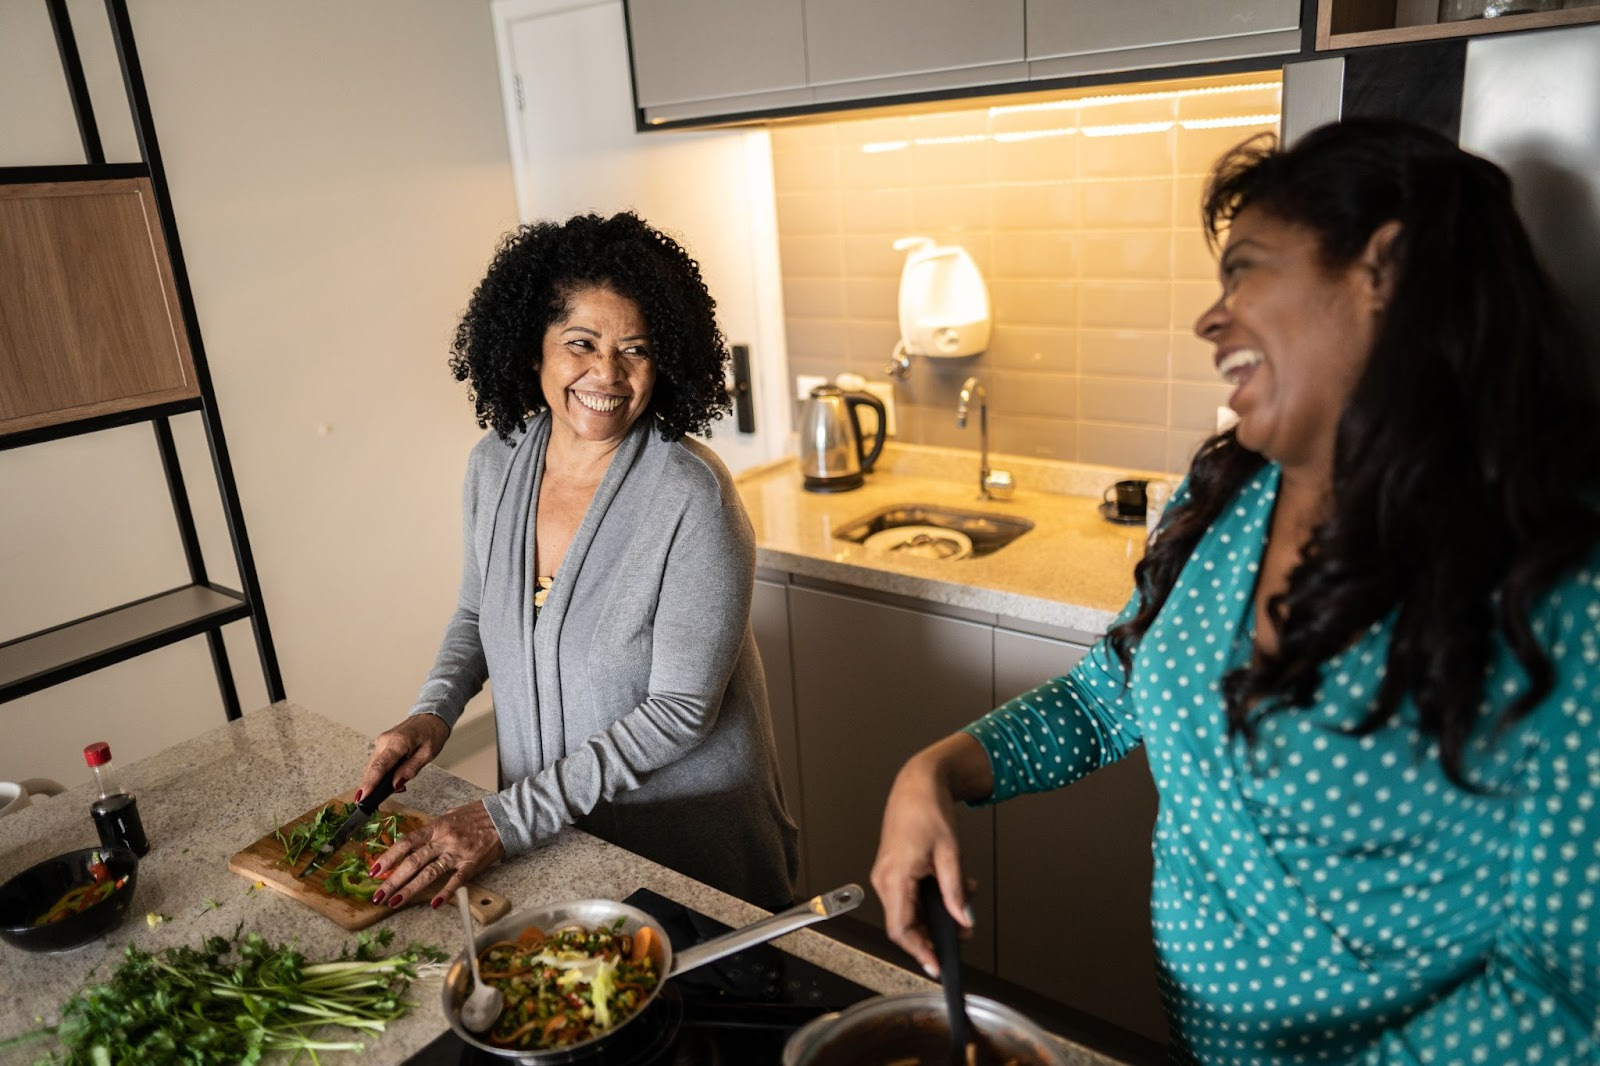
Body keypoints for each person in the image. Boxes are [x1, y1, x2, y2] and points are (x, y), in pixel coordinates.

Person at [871, 118, 1600, 1064]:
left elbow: (1563, 987)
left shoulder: (1554, 580)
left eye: (1245, 271)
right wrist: (936, 772)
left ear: (1383, 268)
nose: (1211, 320)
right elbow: (1110, 696)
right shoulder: (1226, 501)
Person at [356, 211, 799, 912]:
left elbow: (680, 711)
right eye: (582, 343)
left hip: (687, 850)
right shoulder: (494, 466)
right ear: (532, 348)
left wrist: (505, 818)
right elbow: (478, 614)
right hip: (552, 831)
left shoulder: (692, 496)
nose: (608, 374)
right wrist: (432, 715)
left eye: (636, 350)